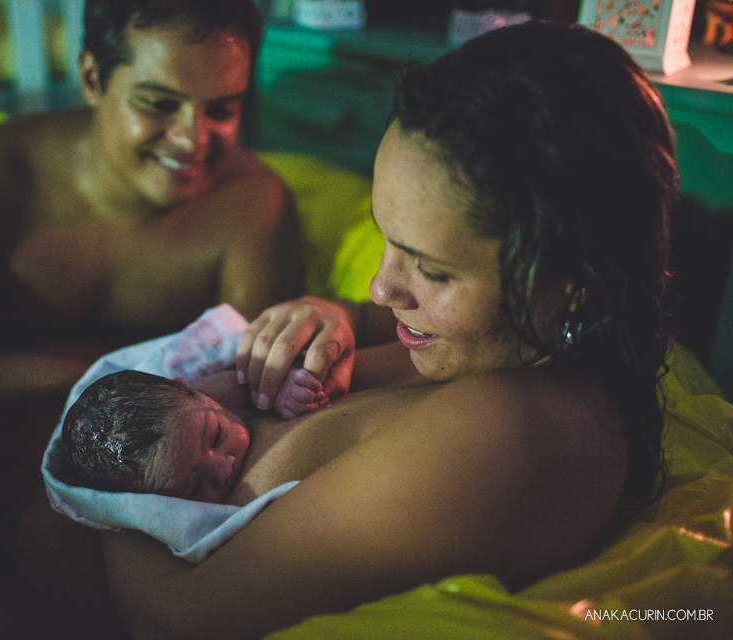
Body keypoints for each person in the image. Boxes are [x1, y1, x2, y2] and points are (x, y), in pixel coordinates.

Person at [86, 21, 676, 639]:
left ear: (576, 279)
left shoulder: (513, 430)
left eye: (431, 269)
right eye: (388, 241)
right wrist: (335, 313)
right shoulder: (495, 350)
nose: (382, 288)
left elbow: (182, 620)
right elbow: (370, 312)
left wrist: (103, 490)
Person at [0, 0, 302, 634]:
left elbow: (257, 411)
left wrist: (46, 372)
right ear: (94, 78)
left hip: (151, 471)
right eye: (158, 103)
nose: (192, 139)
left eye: (223, 110)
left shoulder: (252, 214)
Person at [62, 367, 323, 503]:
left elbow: (259, 384)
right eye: (195, 488)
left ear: (188, 387)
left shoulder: (211, 392)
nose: (223, 467)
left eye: (217, 435)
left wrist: (284, 390)